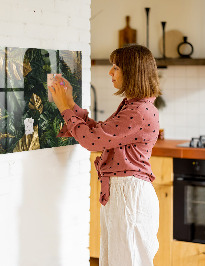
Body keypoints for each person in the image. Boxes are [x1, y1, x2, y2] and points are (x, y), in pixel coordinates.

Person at [49, 44, 161, 266]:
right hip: (124, 193)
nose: (110, 72)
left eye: (116, 67)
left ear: (132, 72)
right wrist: (70, 103)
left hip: (129, 195)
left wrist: (64, 108)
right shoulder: (134, 106)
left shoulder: (138, 111)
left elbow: (92, 141)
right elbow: (100, 133)